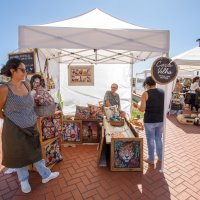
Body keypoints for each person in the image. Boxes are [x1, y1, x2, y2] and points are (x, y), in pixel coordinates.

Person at [0, 58, 59, 194]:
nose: (25, 72)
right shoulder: (4, 89)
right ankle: (24, 180)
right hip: (15, 127)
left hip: (31, 124)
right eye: (22, 70)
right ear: (12, 70)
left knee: (36, 151)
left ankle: (46, 175)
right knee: (20, 154)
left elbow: (31, 104)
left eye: (25, 70)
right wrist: (10, 119)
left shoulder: (27, 84)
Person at [133, 76, 164, 165]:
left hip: (150, 120)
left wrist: (137, 105)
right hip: (160, 120)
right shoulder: (162, 92)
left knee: (150, 140)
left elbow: (142, 109)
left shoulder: (145, 93)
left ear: (146, 84)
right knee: (158, 139)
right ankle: (161, 157)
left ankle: (151, 159)